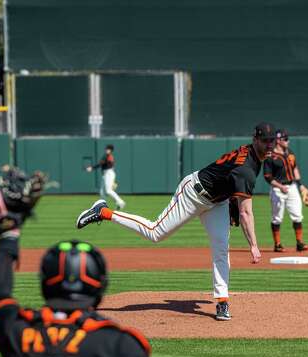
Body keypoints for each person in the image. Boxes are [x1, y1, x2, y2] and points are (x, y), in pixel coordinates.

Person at [0, 170, 229, 357]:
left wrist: (9, 235)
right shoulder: (118, 343)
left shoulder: (18, 331)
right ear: (100, 287)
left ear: (44, 283)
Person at [77, 122, 277, 321]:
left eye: (272, 141)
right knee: (156, 233)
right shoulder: (246, 168)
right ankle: (104, 212)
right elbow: (245, 213)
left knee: (221, 249)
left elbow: (227, 175)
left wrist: (231, 197)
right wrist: (254, 246)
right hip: (193, 193)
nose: (269, 145)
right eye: (265, 141)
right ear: (255, 140)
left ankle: (222, 301)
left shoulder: (253, 157)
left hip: (217, 202)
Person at [263, 129, 308, 252]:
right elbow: (267, 177)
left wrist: (301, 185)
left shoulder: (290, 153)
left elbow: (295, 169)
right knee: (277, 218)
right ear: (278, 141)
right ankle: (277, 244)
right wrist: (280, 186)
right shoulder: (270, 156)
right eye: (285, 139)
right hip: (278, 189)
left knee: (298, 216)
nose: (288, 141)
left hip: (292, 187)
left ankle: (299, 243)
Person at [86, 144, 126, 210]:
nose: (107, 150)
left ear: (111, 150)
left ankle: (120, 202)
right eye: (107, 149)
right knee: (102, 192)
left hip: (109, 173)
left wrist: (92, 168)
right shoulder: (107, 156)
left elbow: (102, 164)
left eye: (109, 149)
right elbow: (104, 163)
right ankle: (103, 206)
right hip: (106, 174)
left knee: (108, 191)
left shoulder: (108, 156)